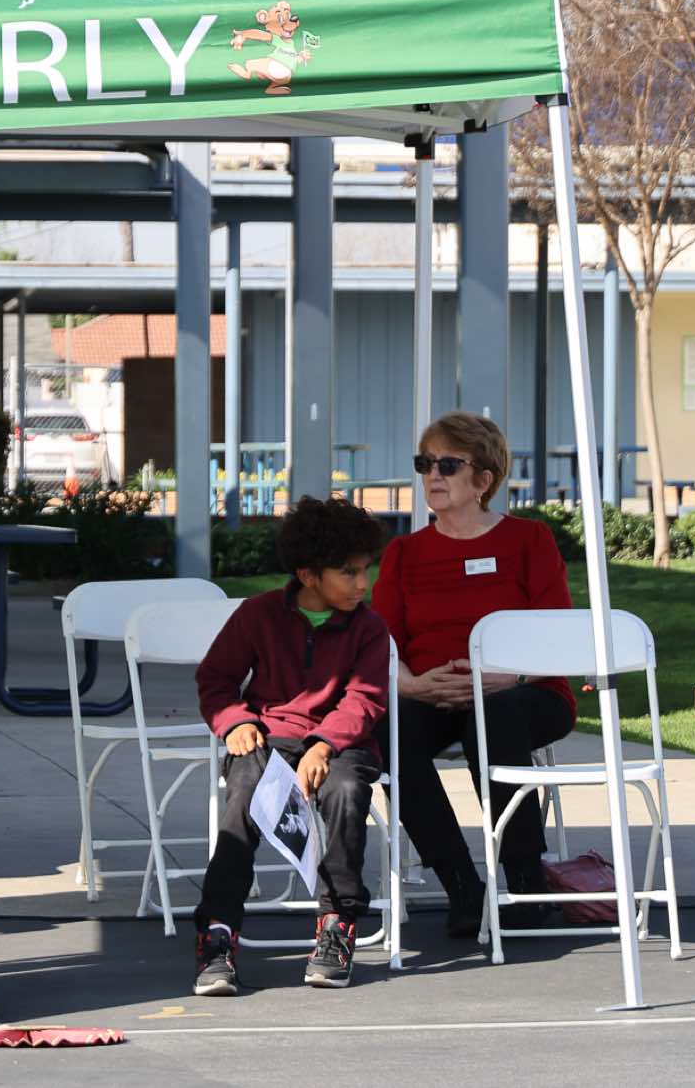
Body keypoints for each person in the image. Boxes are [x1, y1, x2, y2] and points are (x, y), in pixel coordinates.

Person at [373, 410, 574, 939]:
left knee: (493, 717)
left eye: (447, 465)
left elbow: (559, 632)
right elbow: (380, 642)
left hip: (525, 690)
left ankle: (526, 882)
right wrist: (410, 684)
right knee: (386, 729)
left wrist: (513, 676)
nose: (432, 476)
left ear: (483, 480)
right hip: (432, 691)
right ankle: (461, 886)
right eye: (425, 464)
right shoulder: (404, 552)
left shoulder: (529, 540)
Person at [190, 497, 390, 996]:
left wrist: (324, 745)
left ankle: (337, 924)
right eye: (349, 572)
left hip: (342, 744)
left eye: (365, 570)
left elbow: (364, 700)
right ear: (307, 575)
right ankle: (218, 933)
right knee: (243, 796)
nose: (362, 583)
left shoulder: (369, 628)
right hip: (267, 736)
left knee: (345, 793)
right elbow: (215, 679)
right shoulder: (257, 614)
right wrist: (234, 722)